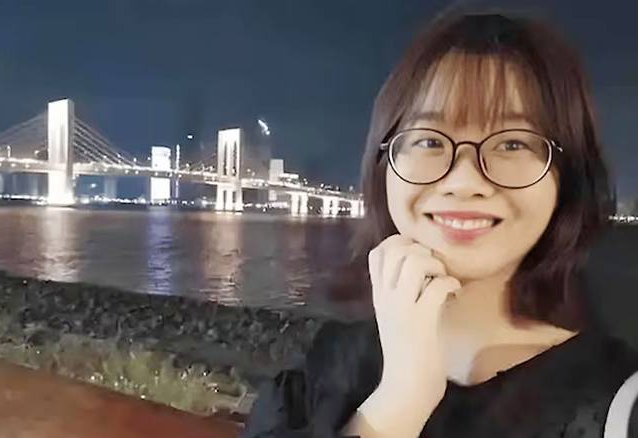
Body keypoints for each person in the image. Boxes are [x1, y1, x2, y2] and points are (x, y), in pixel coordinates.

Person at [242, 11, 638, 438]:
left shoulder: (617, 402)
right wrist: (401, 398)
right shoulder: (333, 361)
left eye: (512, 144)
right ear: (383, 165)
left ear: (568, 178)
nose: (464, 181)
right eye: (429, 140)